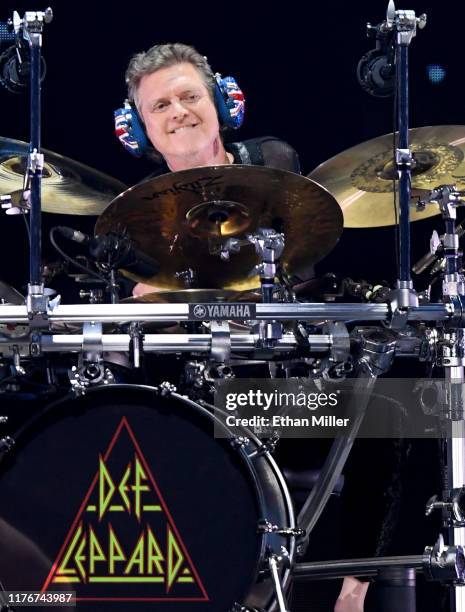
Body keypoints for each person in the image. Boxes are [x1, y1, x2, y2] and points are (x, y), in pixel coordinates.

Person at [121, 42, 369, 612]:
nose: (179, 111)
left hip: (287, 374)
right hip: (196, 390)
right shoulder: (133, 215)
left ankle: (355, 587)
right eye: (160, 106)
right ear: (138, 131)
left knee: (418, 406)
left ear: (223, 104)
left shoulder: (273, 165)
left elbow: (299, 270)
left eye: (190, 96)